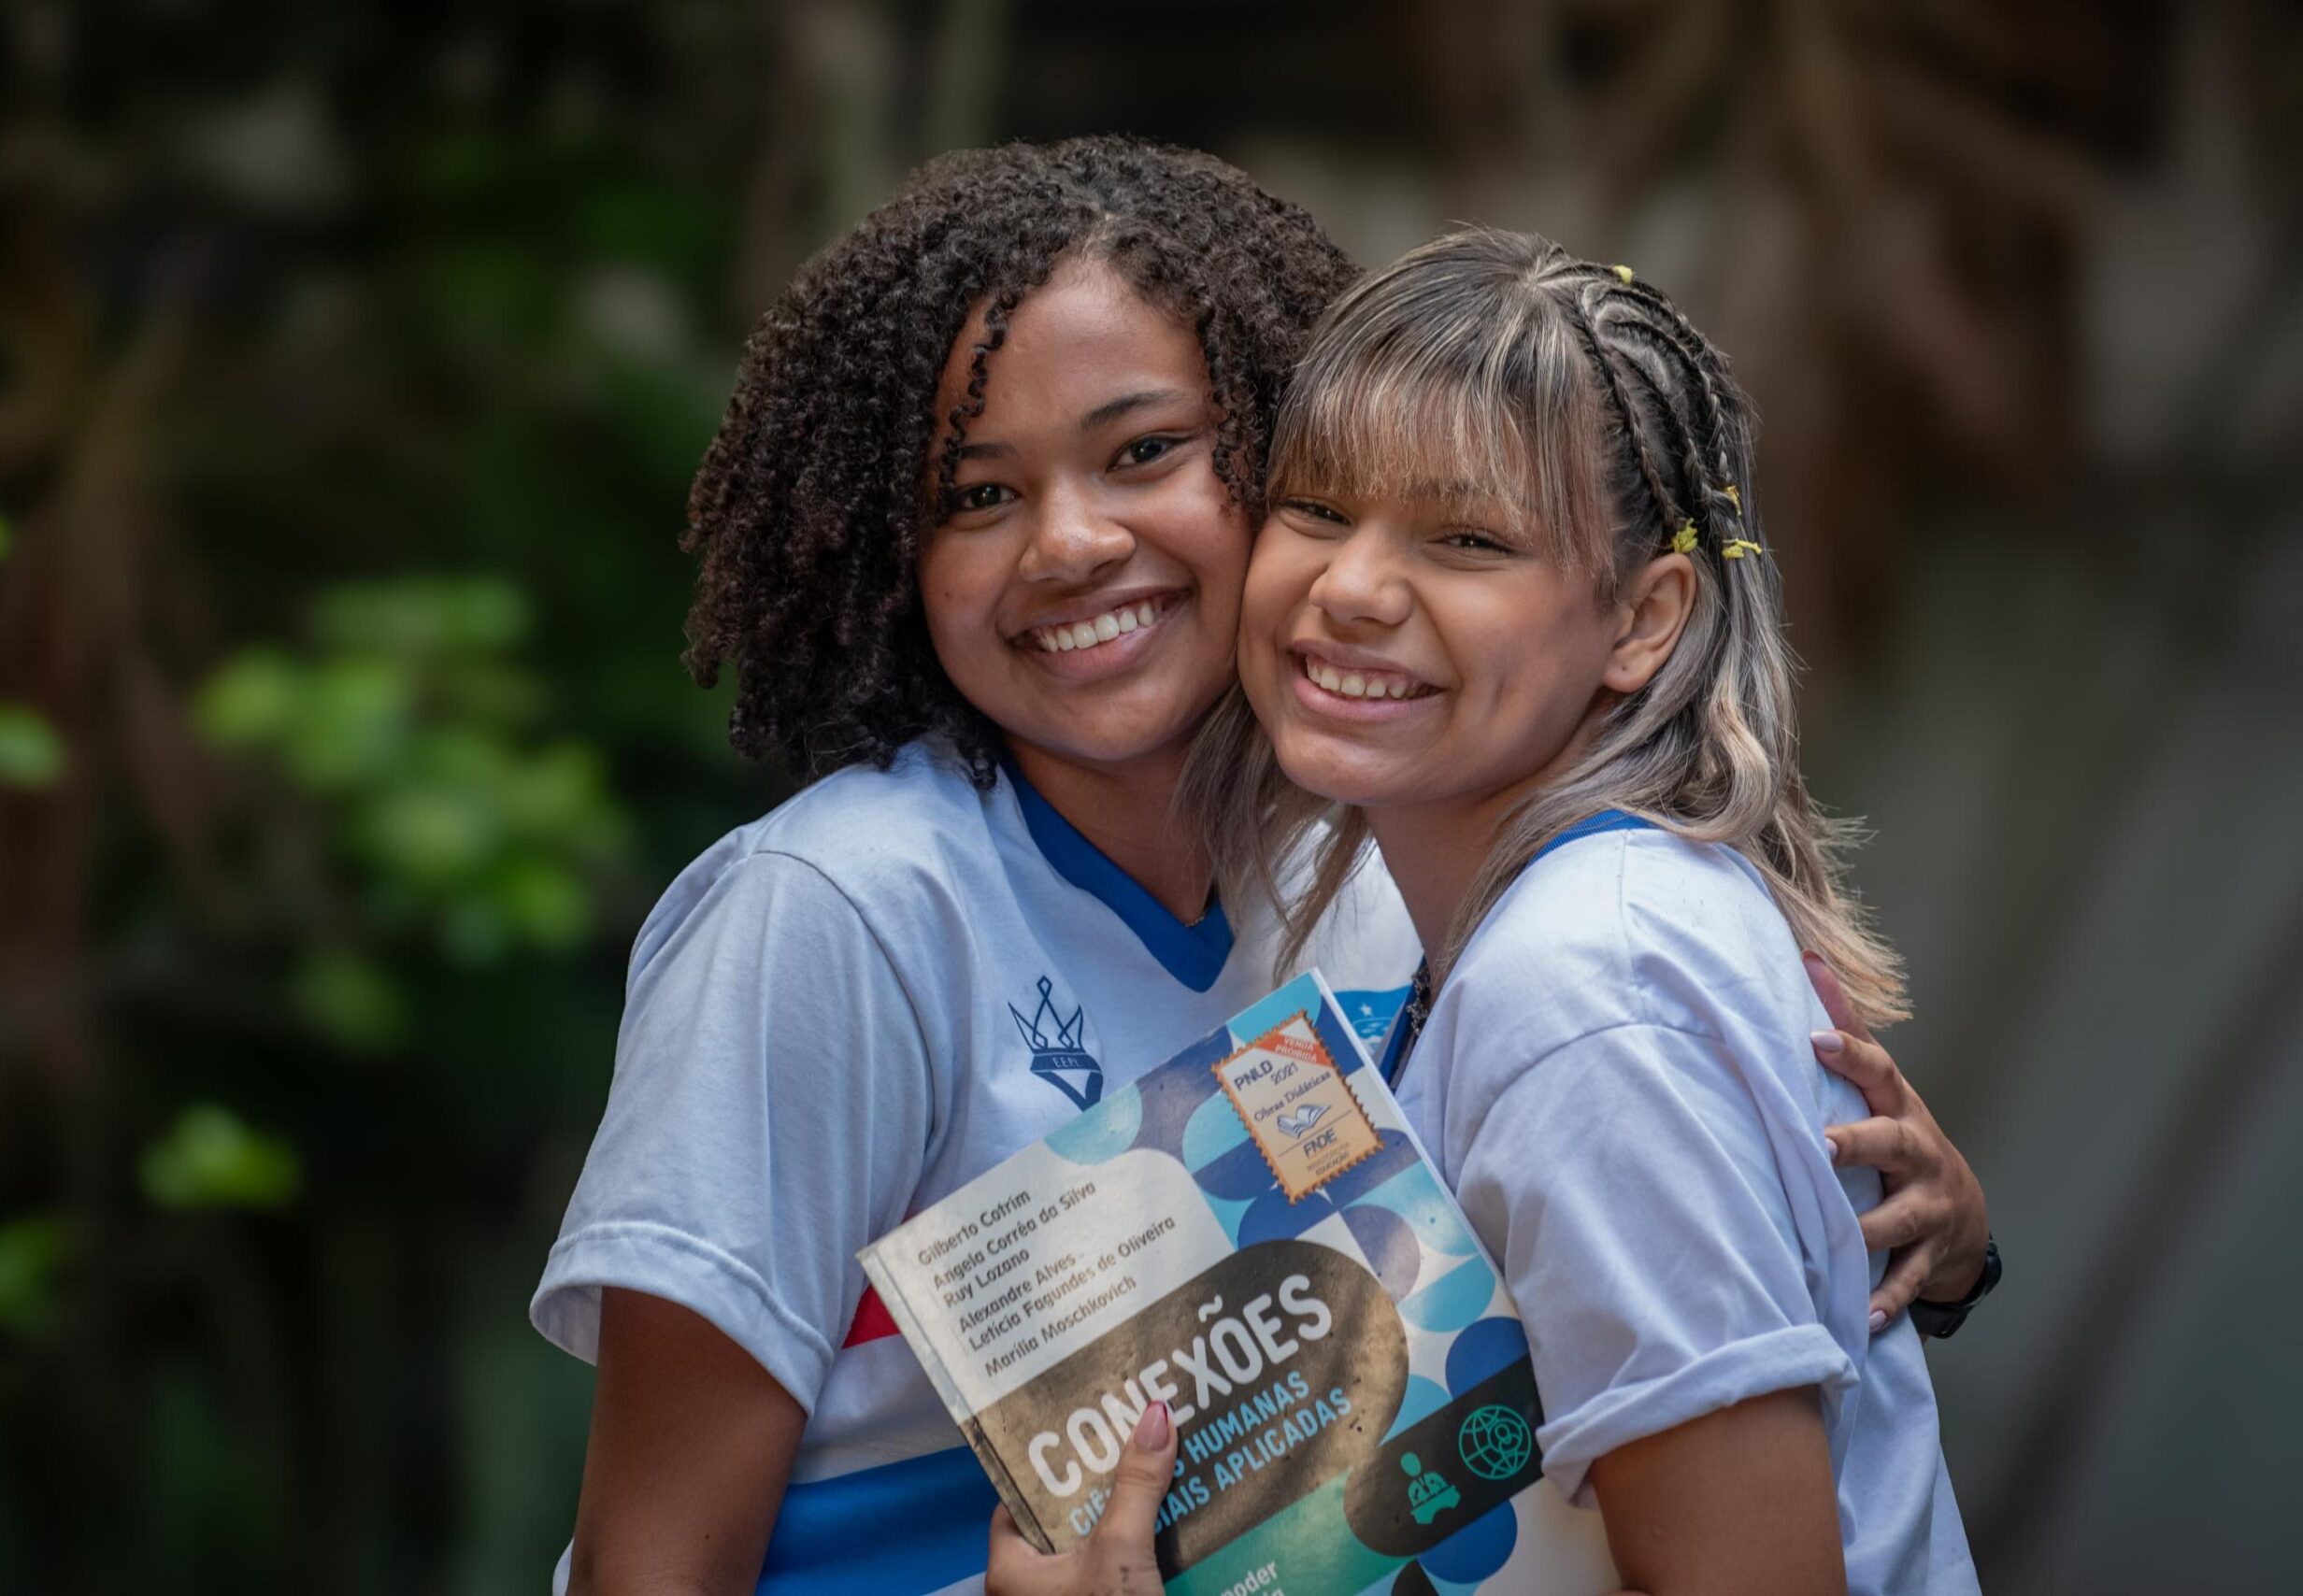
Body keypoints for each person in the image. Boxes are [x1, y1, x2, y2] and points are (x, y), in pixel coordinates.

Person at [531, 143, 1990, 1596]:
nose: (1070, 542)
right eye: (975, 496)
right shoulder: (835, 916)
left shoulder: (1411, 881)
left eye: (1144, 451)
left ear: (1268, 459)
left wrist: (1913, 1235)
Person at [1190, 227, 1980, 1591]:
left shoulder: (1581, 993)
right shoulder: (1527, 914)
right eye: (1316, 507)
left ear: (1642, 619)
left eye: (1467, 539)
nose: (1354, 587)